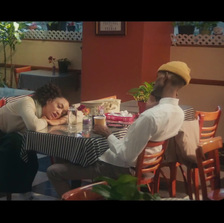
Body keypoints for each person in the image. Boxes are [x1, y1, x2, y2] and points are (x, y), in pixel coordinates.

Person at [47, 61, 192, 197]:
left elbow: (126, 156)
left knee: (53, 170)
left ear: (165, 78)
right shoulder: (179, 113)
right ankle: (81, 195)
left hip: (119, 169)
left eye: (157, 77)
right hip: (147, 167)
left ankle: (74, 197)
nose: (154, 81)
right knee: (74, 155)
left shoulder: (151, 116)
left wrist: (107, 134)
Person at [0, 83, 69, 198]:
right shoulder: (27, 102)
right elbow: (33, 126)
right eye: (59, 106)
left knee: (31, 159)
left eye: (63, 113)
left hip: (10, 136)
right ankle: (7, 189)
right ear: (49, 101)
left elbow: (76, 115)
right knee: (18, 147)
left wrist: (59, 121)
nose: (59, 113)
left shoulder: (44, 115)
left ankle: (24, 190)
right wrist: (54, 121)